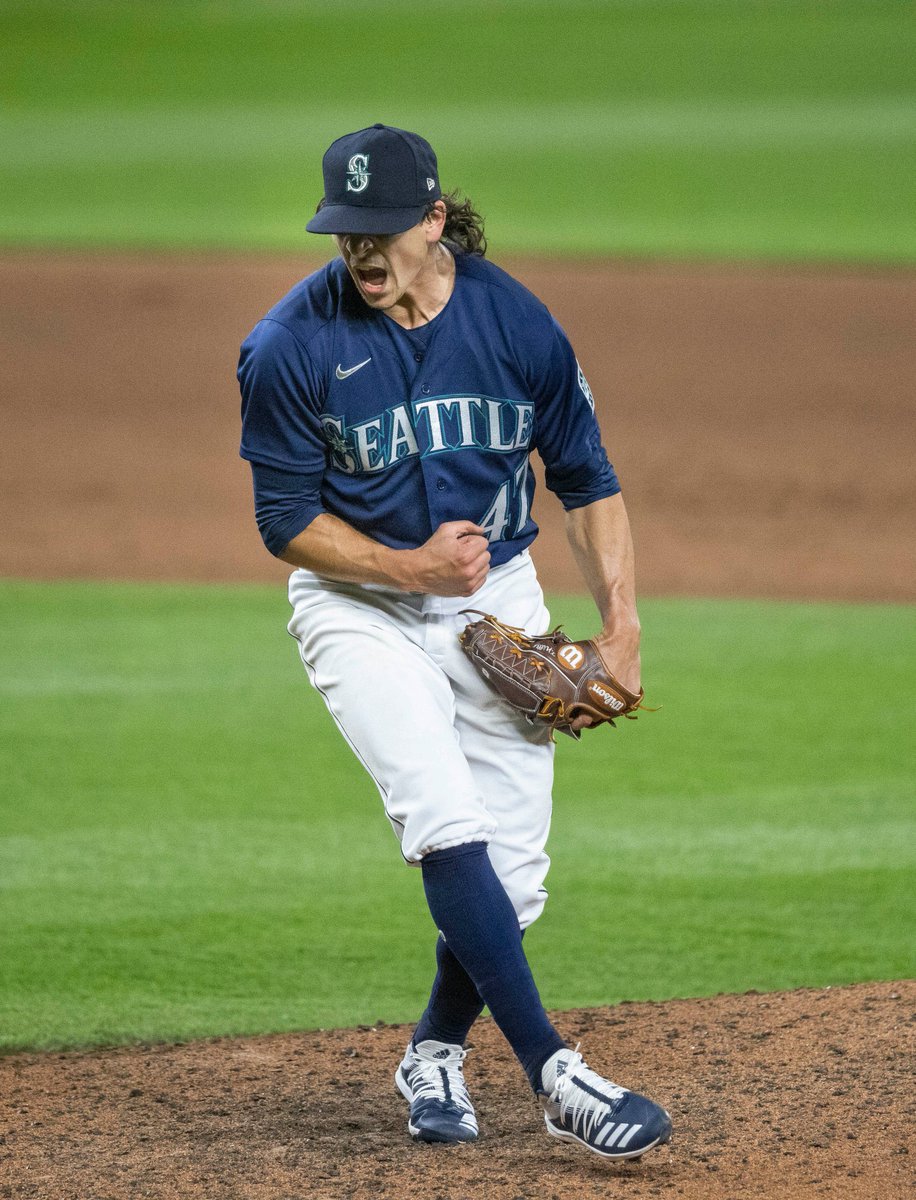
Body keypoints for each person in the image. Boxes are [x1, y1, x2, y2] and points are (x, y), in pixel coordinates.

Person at [238, 123, 672, 1160]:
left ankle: (433, 1050)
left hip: (496, 597)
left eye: (383, 230)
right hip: (358, 605)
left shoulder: (513, 322)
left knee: (511, 883)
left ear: (435, 220)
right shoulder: (288, 346)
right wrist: (407, 571)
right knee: (439, 815)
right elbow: (283, 520)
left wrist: (621, 624)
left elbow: (586, 477)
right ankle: (556, 1076)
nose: (364, 255)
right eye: (347, 236)